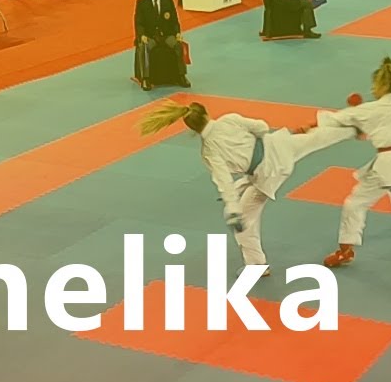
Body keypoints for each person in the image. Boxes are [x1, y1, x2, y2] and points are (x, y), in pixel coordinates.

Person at [139, 102, 355, 274]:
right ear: (206, 113)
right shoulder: (229, 120)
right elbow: (262, 127)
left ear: (192, 129)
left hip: (267, 173)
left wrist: (233, 209)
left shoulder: (208, 151)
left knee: (244, 222)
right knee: (314, 138)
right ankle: (354, 126)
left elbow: (223, 181)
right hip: (277, 146)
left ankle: (257, 265)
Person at [321, 58, 391, 268]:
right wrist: (361, 120)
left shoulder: (373, 108)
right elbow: (375, 122)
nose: (372, 89)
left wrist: (308, 125)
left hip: (390, 162)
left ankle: (345, 250)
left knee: (354, 204)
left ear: (384, 85)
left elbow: (340, 118)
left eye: (374, 86)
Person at [133, 0, 191, 90]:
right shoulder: (141, 3)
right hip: (150, 36)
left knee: (178, 45)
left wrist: (177, 33)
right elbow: (138, 22)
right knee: (144, 47)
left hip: (167, 35)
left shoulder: (168, 0)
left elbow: (175, 20)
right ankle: (145, 78)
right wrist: (142, 35)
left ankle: (181, 75)